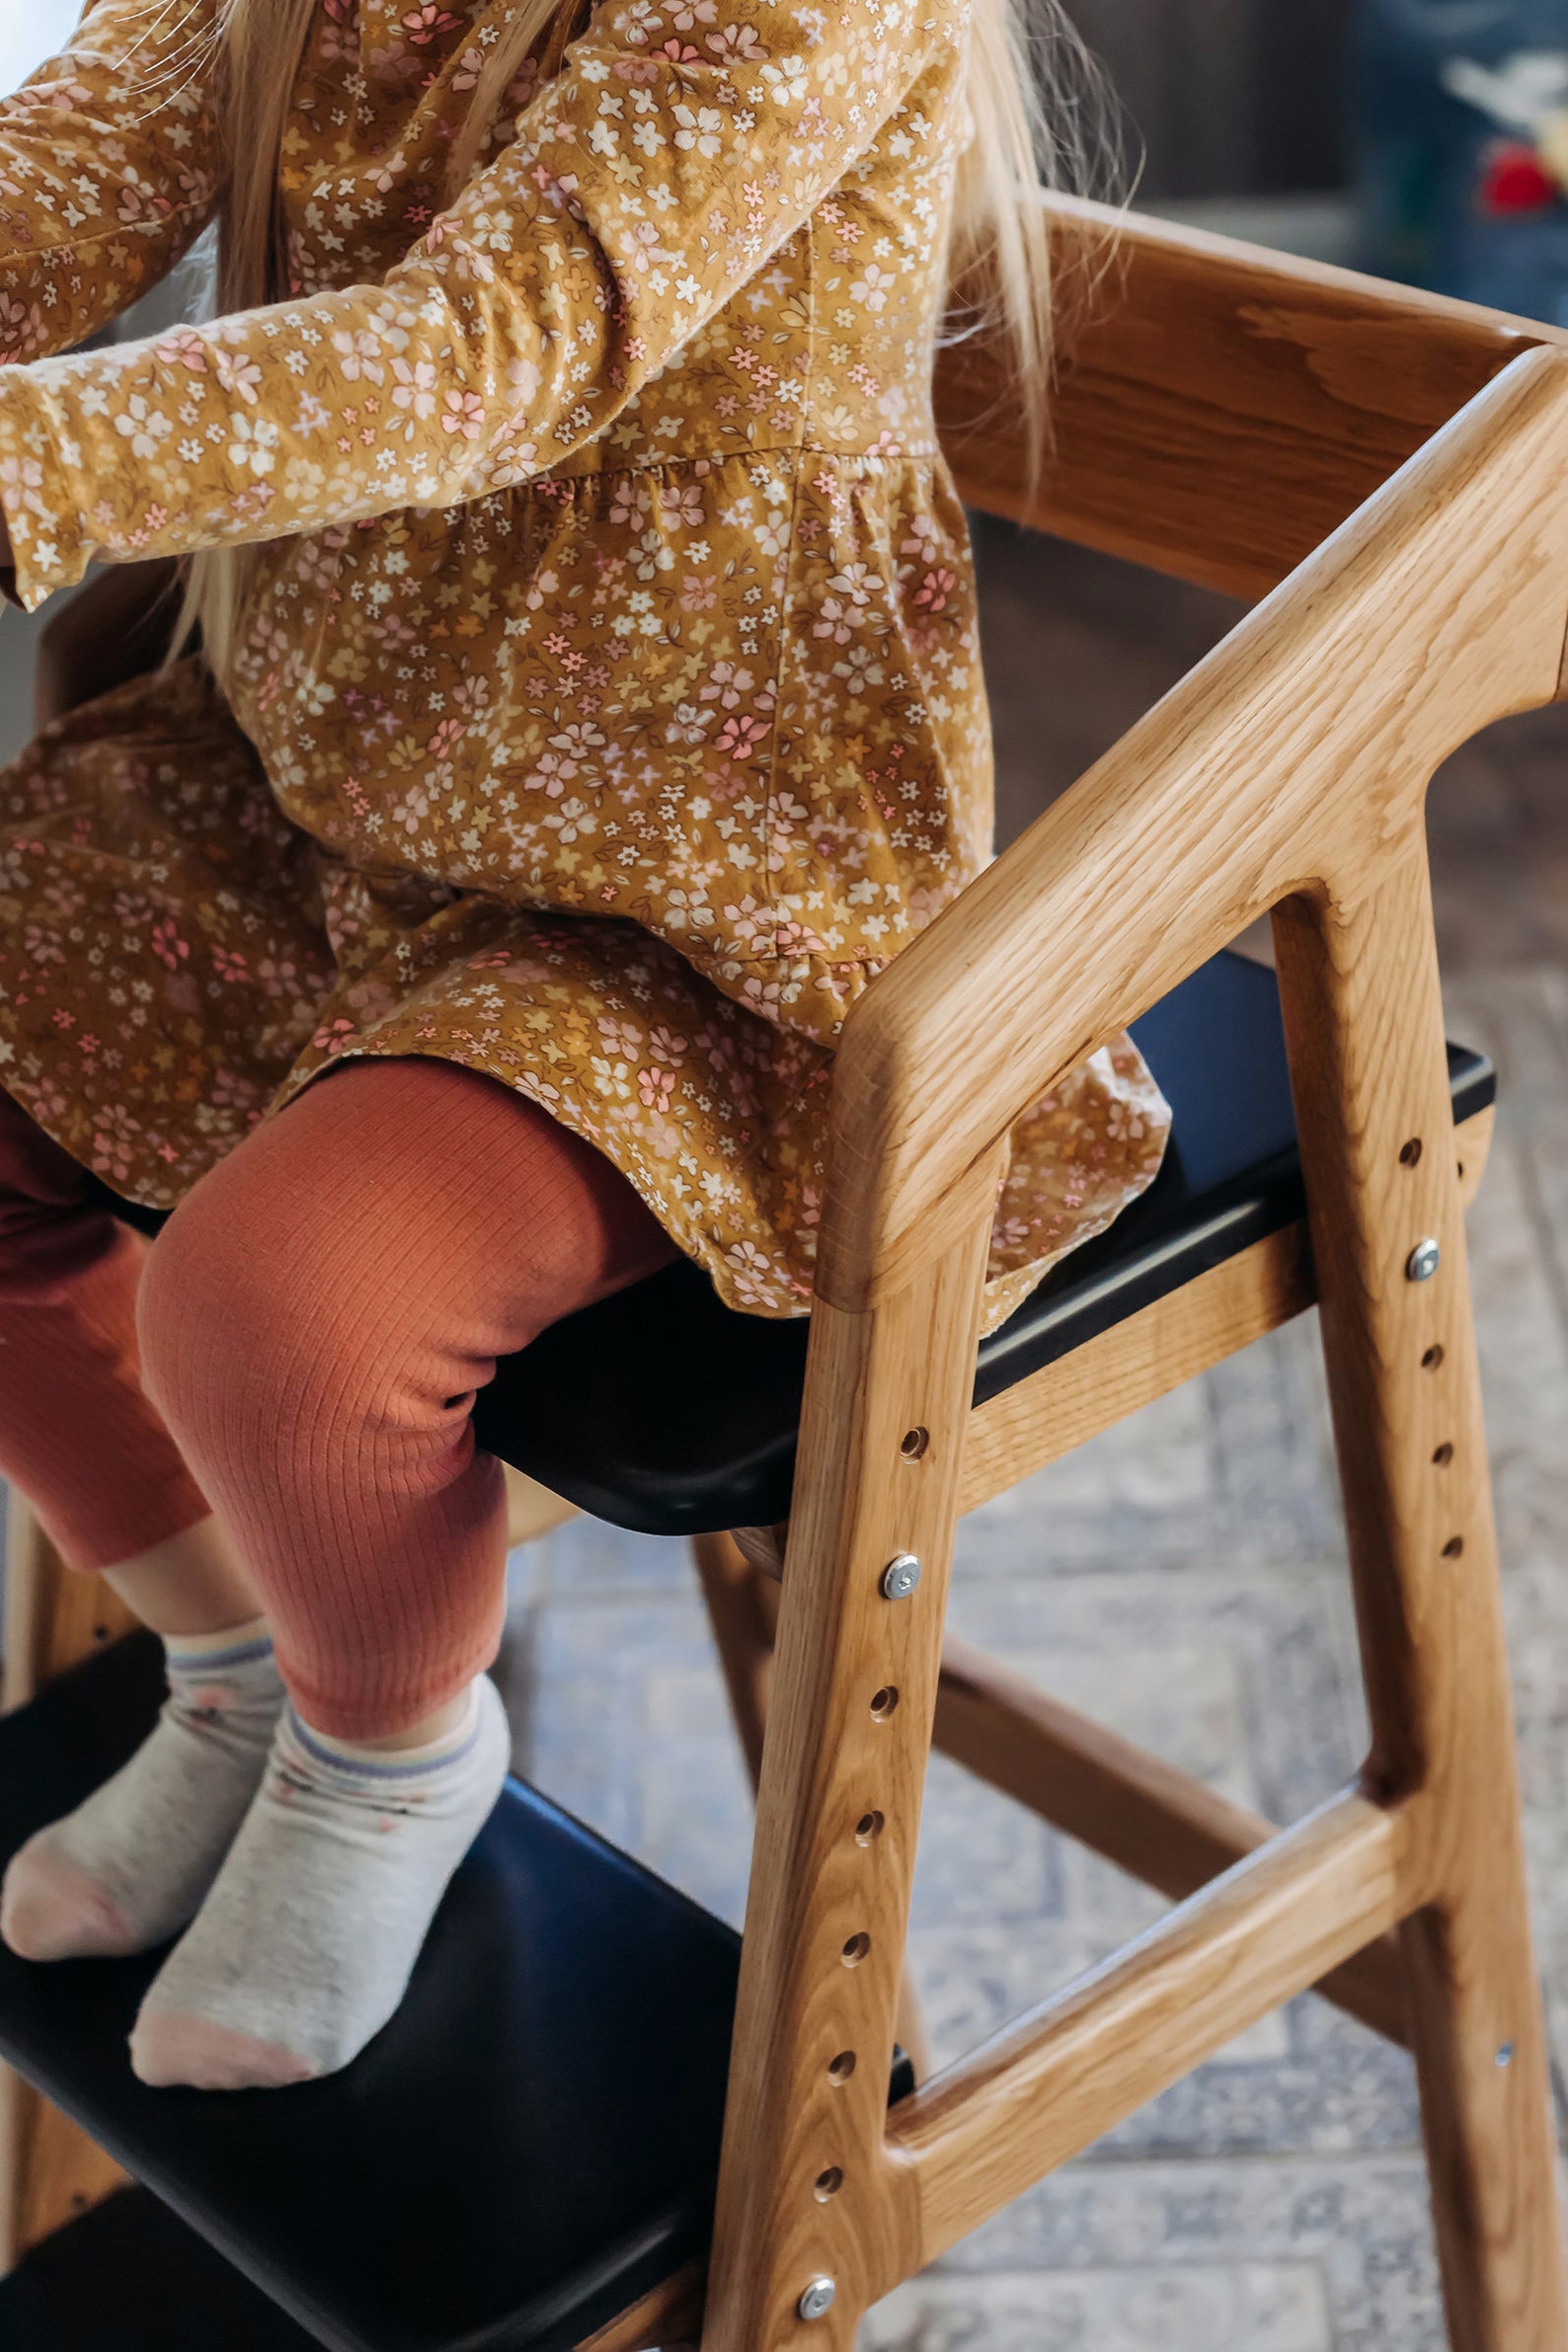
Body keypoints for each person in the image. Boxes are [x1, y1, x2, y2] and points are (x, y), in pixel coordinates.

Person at [0, 0, 1168, 2091]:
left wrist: (39, 460)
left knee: (283, 1321)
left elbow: (498, 344)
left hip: (694, 896)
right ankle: (237, 1663)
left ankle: (386, 1753)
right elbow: (48, 188)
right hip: (330, 793)